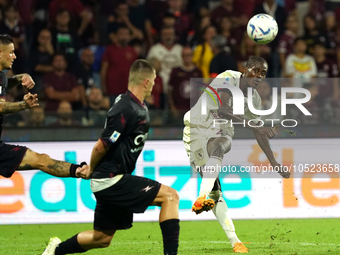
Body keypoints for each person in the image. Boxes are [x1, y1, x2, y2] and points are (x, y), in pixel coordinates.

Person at [42, 59, 180, 255]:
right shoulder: (125, 108)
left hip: (110, 178)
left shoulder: (136, 105)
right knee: (170, 196)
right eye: (155, 80)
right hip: (110, 179)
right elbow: (101, 146)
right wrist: (91, 168)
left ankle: (55, 251)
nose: (155, 85)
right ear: (146, 82)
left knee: (102, 238)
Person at [183, 56, 290, 254]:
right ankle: (206, 196)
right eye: (255, 70)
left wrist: (274, 162)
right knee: (216, 193)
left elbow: (259, 130)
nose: (258, 76)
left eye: (263, 73)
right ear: (245, 69)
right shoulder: (229, 77)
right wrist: (253, 124)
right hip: (197, 127)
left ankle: (234, 240)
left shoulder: (254, 99)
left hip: (220, 128)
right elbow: (223, 109)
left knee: (220, 146)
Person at [0, 34, 88, 179]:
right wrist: (23, 105)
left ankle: (78, 170)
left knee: (40, 160)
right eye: (11, 52)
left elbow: (5, 83)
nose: (14, 56)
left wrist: (20, 77)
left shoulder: (1, 77)